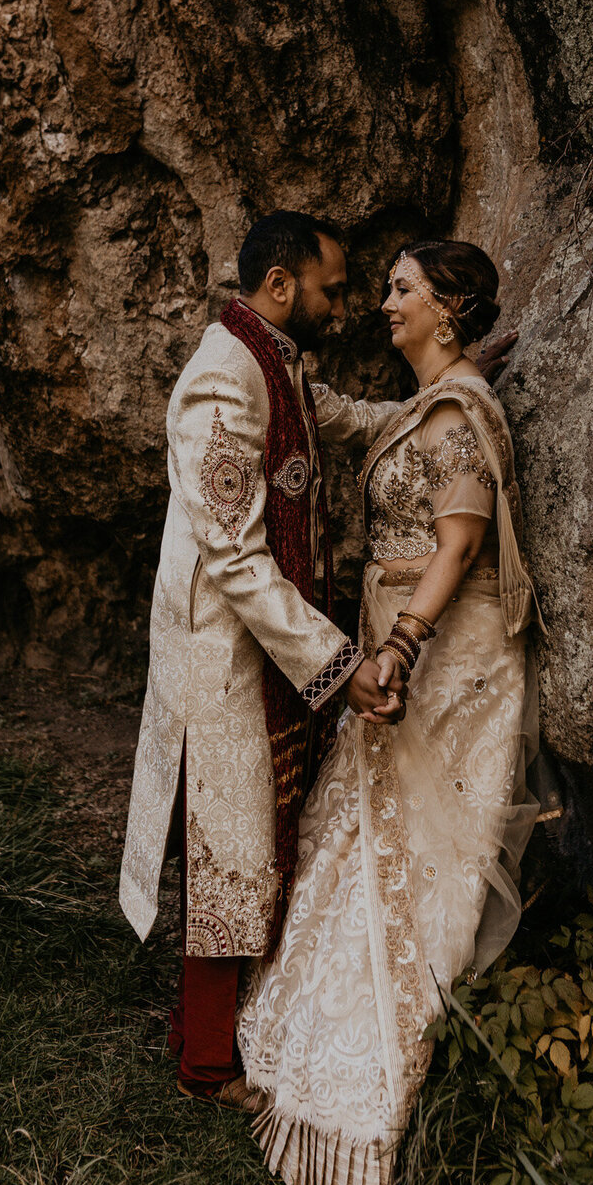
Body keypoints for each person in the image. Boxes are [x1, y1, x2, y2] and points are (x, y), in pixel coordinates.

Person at [238, 239, 539, 1185]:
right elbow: (343, 418)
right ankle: (305, 1074)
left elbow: (460, 543)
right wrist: (262, 345)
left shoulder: (459, 414)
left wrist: (404, 647)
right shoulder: (430, 408)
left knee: (418, 863)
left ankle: (376, 1127)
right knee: (361, 844)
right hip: (395, 641)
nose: (383, 303)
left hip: (445, 654)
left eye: (401, 289)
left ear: (449, 307)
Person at [118, 212, 408, 1107]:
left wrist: (446, 398)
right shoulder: (221, 379)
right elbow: (235, 557)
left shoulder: (274, 360)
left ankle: (207, 1034)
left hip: (262, 653)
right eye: (331, 288)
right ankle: (205, 1069)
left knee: (247, 844)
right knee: (226, 853)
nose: (343, 304)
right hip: (225, 658)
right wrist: (336, 660)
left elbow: (344, 420)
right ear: (281, 283)